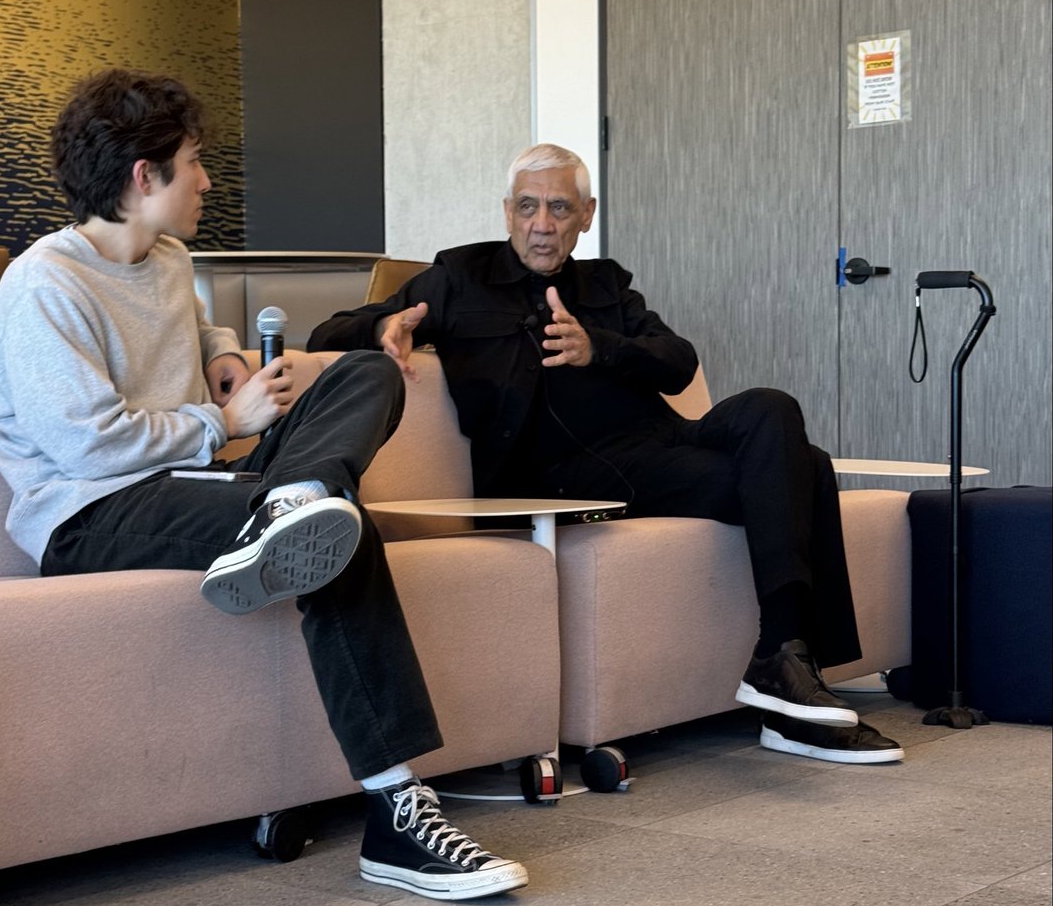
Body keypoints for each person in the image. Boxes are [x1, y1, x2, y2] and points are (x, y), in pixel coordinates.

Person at [0, 68, 528, 900]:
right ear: (143, 176)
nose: (205, 179)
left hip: (195, 483)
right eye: (195, 162)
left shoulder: (165, 256)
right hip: (89, 515)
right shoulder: (42, 286)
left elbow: (197, 327)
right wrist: (224, 424)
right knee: (340, 528)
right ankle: (397, 815)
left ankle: (290, 501)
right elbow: (88, 448)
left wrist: (223, 356)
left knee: (367, 377)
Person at [308, 143, 903, 765]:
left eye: (560, 207)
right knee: (803, 467)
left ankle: (784, 663)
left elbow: (679, 364)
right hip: (569, 473)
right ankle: (791, 678)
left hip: (661, 444)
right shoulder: (460, 278)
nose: (542, 224)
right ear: (508, 211)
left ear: (586, 214)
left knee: (773, 409)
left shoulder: (606, 284)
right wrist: (383, 329)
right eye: (529, 206)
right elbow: (331, 330)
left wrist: (602, 347)